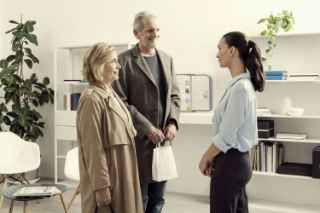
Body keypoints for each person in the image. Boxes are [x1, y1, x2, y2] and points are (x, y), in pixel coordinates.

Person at [112, 11, 180, 213]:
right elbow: (120, 102)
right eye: (150, 30)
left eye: (157, 30)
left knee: (158, 199)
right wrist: (146, 127)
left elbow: (175, 97)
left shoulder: (167, 59)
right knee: (137, 200)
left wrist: (173, 123)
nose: (155, 34)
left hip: (163, 144)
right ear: (136, 33)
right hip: (138, 143)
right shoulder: (123, 61)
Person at [199, 31, 265, 213]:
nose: (217, 54)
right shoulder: (240, 86)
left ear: (232, 51)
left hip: (231, 164)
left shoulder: (240, 89)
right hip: (234, 163)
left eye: (220, 48)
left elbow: (226, 136)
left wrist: (206, 158)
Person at [76, 42, 143, 213]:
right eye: (113, 61)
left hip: (123, 175)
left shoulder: (110, 93)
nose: (118, 65)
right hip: (111, 181)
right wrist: (101, 186)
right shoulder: (91, 99)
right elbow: (92, 148)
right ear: (100, 64)